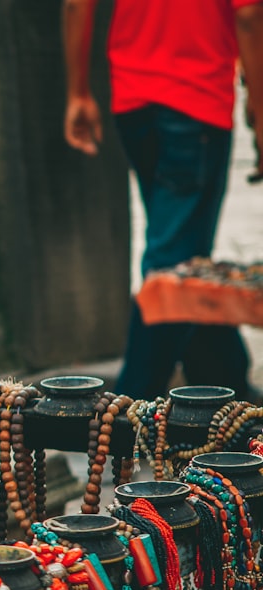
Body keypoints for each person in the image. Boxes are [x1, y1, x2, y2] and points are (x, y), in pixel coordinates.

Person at [63, 0, 263, 400]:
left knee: (180, 251)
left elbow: (73, 5)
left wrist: (78, 92)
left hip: (134, 105)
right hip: (197, 98)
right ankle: (125, 414)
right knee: (171, 265)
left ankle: (225, 382)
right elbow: (248, 15)